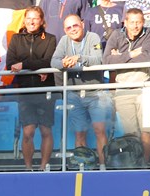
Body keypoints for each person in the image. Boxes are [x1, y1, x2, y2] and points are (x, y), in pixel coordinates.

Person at [52, 14, 111, 169]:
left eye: (75, 25)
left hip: (95, 93)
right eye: (68, 27)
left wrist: (78, 58)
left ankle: (104, 167)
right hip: (74, 94)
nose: (72, 29)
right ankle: (82, 167)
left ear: (82, 24)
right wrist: (64, 62)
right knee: (80, 133)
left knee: (99, 130)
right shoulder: (64, 40)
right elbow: (54, 61)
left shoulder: (93, 37)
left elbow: (98, 59)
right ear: (65, 30)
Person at [6, 6, 57, 171]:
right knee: (27, 132)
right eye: (29, 18)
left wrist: (25, 65)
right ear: (24, 20)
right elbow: (10, 64)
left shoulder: (50, 38)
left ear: (42, 21)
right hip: (25, 90)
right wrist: (36, 68)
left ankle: (44, 167)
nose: (32, 21)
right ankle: (28, 168)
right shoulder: (16, 39)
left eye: (35, 18)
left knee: (45, 130)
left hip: (45, 90)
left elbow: (48, 61)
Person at [103, 8, 150, 165]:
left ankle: (144, 165)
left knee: (147, 131)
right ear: (125, 22)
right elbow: (106, 61)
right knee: (130, 133)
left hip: (145, 87)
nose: (135, 26)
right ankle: (134, 165)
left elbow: (148, 57)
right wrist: (132, 54)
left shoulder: (149, 33)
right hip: (123, 89)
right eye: (131, 22)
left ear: (143, 22)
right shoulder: (116, 35)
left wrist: (119, 57)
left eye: (138, 22)